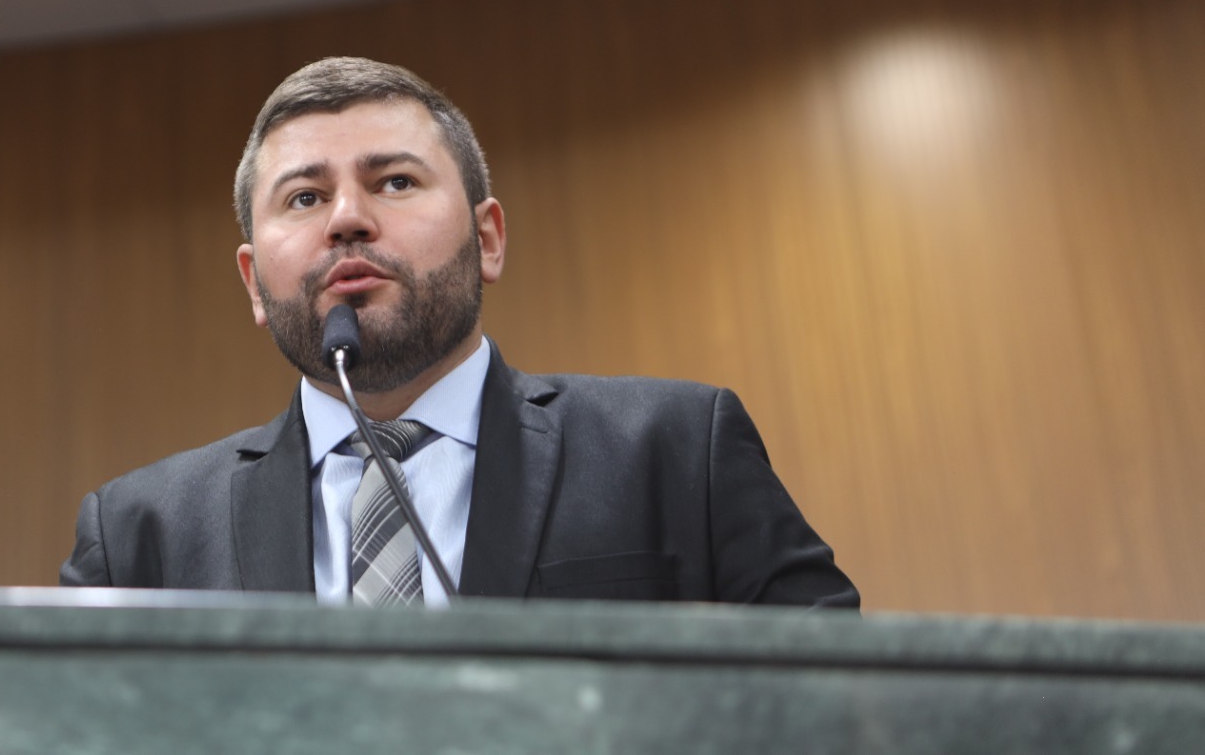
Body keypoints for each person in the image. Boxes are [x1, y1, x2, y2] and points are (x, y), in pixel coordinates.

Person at [60, 57, 858, 608]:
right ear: (253, 283)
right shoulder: (138, 538)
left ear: (488, 240)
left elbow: (844, 704)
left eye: (394, 181)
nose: (347, 218)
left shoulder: (676, 452)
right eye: (304, 197)